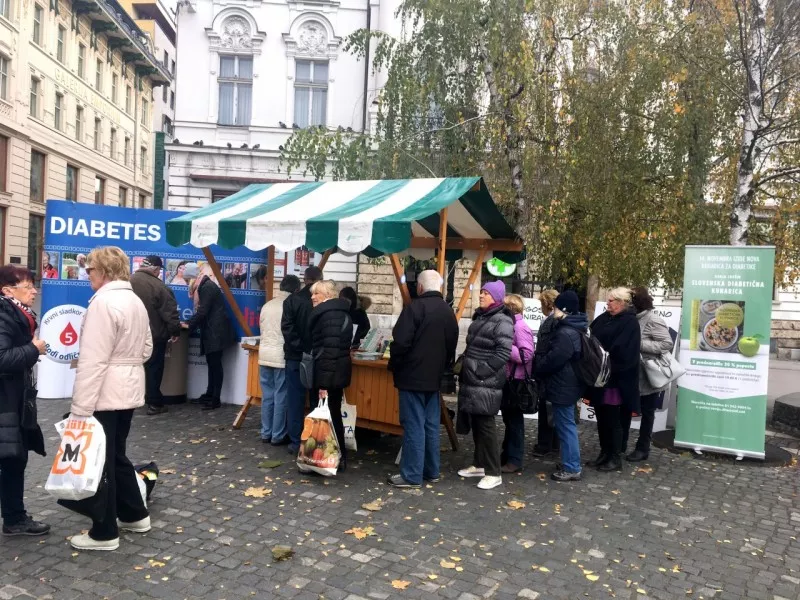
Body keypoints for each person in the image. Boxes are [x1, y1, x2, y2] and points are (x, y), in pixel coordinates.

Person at [68, 247, 152, 551]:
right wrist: (126, 365)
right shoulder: (134, 301)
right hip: (127, 389)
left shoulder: (103, 304)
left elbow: (93, 361)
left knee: (99, 461)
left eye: (90, 269)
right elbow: (146, 349)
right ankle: (134, 514)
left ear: (103, 271)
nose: (87, 274)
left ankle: (104, 532)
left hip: (104, 392)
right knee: (115, 454)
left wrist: (80, 409)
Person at [386, 270, 459, 488]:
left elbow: (400, 343)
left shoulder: (414, 309)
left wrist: (395, 365)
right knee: (430, 426)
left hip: (412, 377)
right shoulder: (448, 312)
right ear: (441, 288)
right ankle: (431, 470)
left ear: (419, 287)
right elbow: (451, 347)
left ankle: (411, 475)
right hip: (434, 378)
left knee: (414, 426)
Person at [0, 266, 49, 537]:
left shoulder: (18, 313)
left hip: (13, 399)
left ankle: (14, 516)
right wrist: (33, 349)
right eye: (28, 286)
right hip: (5, 401)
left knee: (14, 459)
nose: (34, 291)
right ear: (8, 291)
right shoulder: (4, 313)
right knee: (12, 459)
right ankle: (15, 518)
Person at [456, 280, 514, 490]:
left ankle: (493, 472)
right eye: (481, 292)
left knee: (487, 426)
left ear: (496, 298)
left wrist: (482, 371)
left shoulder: (502, 321)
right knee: (478, 424)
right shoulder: (482, 317)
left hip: (485, 382)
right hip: (474, 380)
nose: (481, 295)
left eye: (486, 293)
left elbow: (503, 353)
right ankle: (480, 464)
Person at [534, 291, 587, 481]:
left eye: (557, 306)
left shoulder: (566, 332)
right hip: (566, 383)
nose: (553, 309)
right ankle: (569, 461)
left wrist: (538, 366)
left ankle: (572, 467)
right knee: (565, 424)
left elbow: (555, 359)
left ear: (564, 309)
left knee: (565, 426)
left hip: (564, 384)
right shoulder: (573, 328)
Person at [588, 287, 641, 472]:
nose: (608, 303)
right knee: (601, 417)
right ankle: (604, 452)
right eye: (608, 300)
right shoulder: (604, 318)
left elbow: (626, 352)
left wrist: (606, 359)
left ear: (622, 302)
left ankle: (615, 456)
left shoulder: (630, 322)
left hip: (616, 379)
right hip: (599, 377)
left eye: (611, 300)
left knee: (613, 419)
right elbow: (591, 335)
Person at [623, 287, 673, 462]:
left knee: (647, 412)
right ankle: (622, 444)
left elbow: (667, 343)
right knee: (627, 409)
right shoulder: (631, 318)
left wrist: (639, 344)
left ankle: (643, 448)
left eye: (629, 302)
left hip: (649, 374)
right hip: (632, 373)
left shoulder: (653, 319)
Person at [308, 280, 353, 471]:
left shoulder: (329, 315)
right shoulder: (336, 312)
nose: (312, 297)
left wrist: (323, 384)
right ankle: (332, 456)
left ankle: (328, 458)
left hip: (329, 374)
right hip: (335, 371)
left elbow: (330, 350)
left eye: (316, 293)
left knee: (328, 415)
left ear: (327, 294)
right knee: (331, 413)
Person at [130, 255, 181, 416]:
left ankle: (132, 399)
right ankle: (154, 403)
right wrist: (175, 331)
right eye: (159, 270)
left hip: (129, 334)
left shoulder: (127, 282)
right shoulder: (160, 287)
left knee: (132, 367)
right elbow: (170, 313)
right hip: (153, 335)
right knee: (154, 368)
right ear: (156, 269)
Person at [182, 263, 236, 410]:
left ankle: (215, 398)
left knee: (215, 365)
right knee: (212, 364)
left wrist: (188, 323)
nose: (187, 283)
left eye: (187, 280)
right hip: (213, 331)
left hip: (216, 332)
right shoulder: (205, 285)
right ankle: (210, 393)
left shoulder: (206, 287)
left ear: (193, 277)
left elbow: (203, 311)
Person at [282, 265, 323, 454]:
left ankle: (295, 441)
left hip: (294, 356)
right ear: (320, 279)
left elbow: (287, 329)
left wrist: (299, 347)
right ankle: (313, 440)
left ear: (305, 279)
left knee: (295, 399)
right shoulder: (323, 301)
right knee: (316, 400)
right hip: (317, 356)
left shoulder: (292, 300)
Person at [258, 275, 301, 445]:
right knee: (281, 396)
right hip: (281, 356)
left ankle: (265, 432)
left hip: (264, 355)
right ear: (296, 290)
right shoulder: (290, 305)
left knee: (267, 396)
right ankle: (277, 435)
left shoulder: (267, 305)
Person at [500, 294, 534, 474]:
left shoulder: (520, 327)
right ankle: (508, 455)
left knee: (514, 422)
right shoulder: (512, 325)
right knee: (509, 420)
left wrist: (506, 347)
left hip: (517, 382)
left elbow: (526, 355)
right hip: (509, 380)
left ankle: (514, 459)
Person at [532, 289, 560, 457]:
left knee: (546, 408)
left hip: (547, 371)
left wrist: (540, 364)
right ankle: (552, 443)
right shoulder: (552, 320)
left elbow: (545, 346)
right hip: (547, 370)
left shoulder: (551, 322)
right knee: (549, 407)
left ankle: (545, 444)